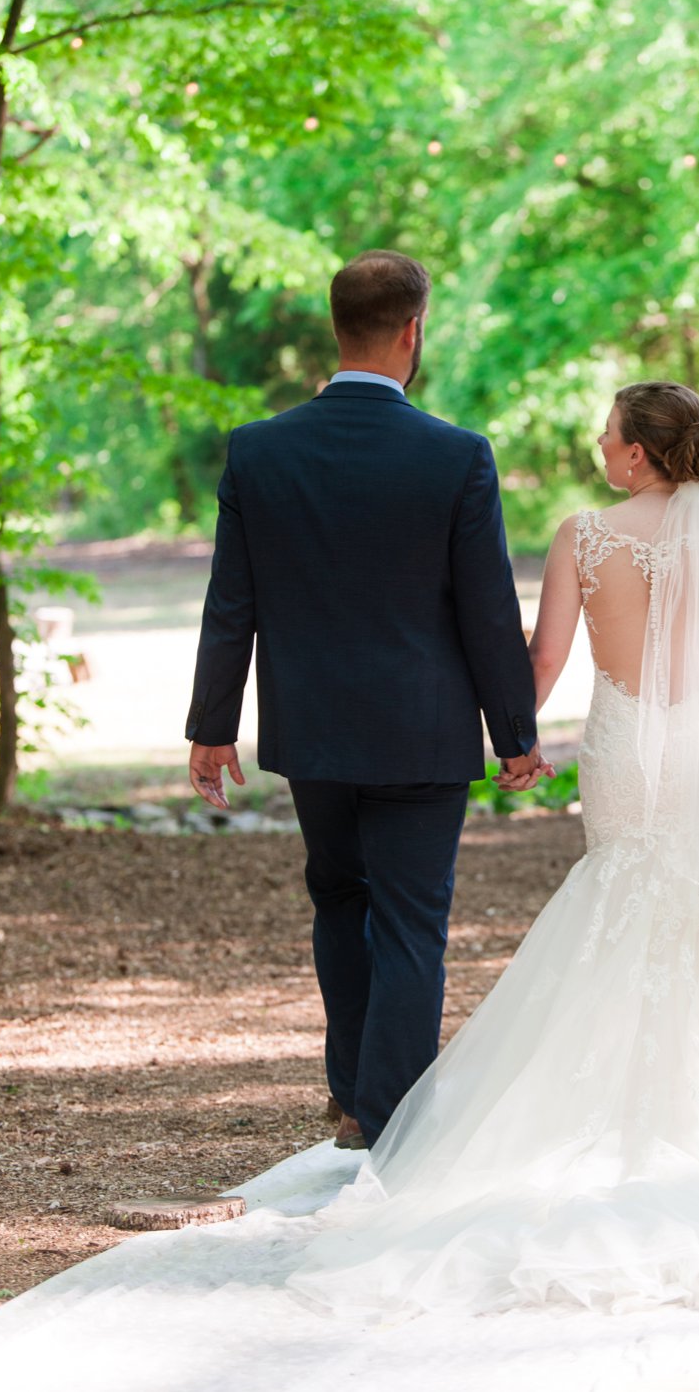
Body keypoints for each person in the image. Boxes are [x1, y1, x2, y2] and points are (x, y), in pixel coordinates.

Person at [283, 380, 699, 1319]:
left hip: (621, 744)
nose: (597, 445)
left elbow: (539, 662)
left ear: (637, 456)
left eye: (608, 435)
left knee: (622, 897)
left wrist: (511, 742)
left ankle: (611, 1106)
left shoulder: (581, 536)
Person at [186, 249, 550, 1153]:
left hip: (311, 732)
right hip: (422, 734)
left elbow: (232, 600)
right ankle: (387, 1118)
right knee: (411, 919)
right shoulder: (456, 456)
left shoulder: (259, 450)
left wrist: (210, 727)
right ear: (412, 331)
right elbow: (487, 609)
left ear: (336, 327)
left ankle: (355, 1095)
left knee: (339, 899)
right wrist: (515, 735)